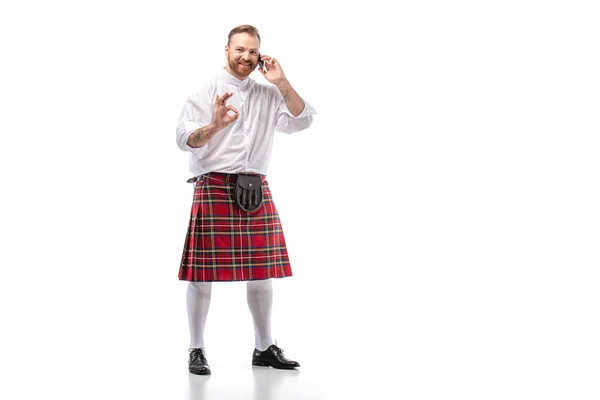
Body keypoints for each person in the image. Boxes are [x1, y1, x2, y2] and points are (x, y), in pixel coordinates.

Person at [175, 25, 317, 375]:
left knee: (262, 273)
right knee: (202, 275)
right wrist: (215, 125)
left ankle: (264, 347)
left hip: (255, 187)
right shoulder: (206, 89)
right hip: (214, 185)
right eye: (239, 50)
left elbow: (303, 120)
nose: (245, 57)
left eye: (252, 51)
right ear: (226, 50)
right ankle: (196, 348)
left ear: (260, 55)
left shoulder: (269, 94)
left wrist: (281, 81)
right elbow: (184, 139)